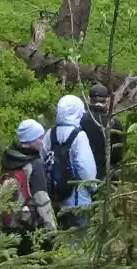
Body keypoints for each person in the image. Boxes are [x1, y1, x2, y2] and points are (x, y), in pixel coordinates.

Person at [0, 119, 57, 256]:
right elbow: (42, 200)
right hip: (29, 227)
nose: (42, 141)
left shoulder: (8, 158)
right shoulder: (35, 164)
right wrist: (52, 233)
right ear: (30, 140)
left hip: (8, 222)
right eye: (39, 138)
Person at [41, 95, 97, 230]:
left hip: (55, 197)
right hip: (77, 199)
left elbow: (42, 159)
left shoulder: (50, 133)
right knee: (79, 239)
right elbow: (85, 168)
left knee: (60, 235)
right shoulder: (79, 136)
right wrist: (93, 187)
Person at [81, 84, 125, 187]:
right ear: (108, 100)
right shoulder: (114, 122)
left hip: (83, 177)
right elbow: (118, 153)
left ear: (88, 99)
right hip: (107, 176)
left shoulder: (81, 120)